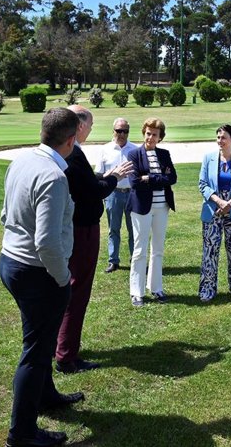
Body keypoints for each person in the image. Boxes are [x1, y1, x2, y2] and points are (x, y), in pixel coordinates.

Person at [0, 108, 85, 447]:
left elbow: (6, 213)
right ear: (71, 139)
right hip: (37, 272)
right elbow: (47, 243)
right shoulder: (54, 177)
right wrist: (63, 277)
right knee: (35, 352)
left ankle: (46, 395)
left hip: (11, 262)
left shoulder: (21, 161)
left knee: (41, 339)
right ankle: (21, 434)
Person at [56, 105, 131, 374]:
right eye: (89, 125)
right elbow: (94, 190)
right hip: (82, 230)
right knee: (78, 290)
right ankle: (66, 356)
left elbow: (89, 179)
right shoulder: (73, 154)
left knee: (69, 289)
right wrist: (115, 177)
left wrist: (107, 175)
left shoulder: (68, 152)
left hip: (71, 227)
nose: (90, 129)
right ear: (79, 126)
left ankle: (62, 347)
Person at [127, 118, 177, 307]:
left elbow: (172, 178)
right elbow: (134, 182)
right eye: (148, 133)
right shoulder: (134, 155)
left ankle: (156, 288)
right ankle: (136, 292)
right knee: (140, 250)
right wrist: (159, 177)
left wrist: (150, 177)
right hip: (141, 208)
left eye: (154, 134)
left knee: (158, 249)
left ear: (160, 137)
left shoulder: (164, 154)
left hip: (161, 206)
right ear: (144, 133)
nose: (150, 137)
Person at [198, 124, 231, 302]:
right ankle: (207, 288)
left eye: (224, 137)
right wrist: (219, 201)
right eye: (218, 137)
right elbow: (202, 184)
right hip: (212, 211)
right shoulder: (208, 158)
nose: (220, 141)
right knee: (210, 251)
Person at [95, 118, 137, 274]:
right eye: (119, 131)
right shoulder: (105, 150)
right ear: (113, 131)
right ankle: (113, 260)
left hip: (132, 193)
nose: (122, 134)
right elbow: (99, 174)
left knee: (134, 229)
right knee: (114, 229)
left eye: (125, 131)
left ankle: (135, 259)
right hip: (113, 194)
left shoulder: (135, 150)